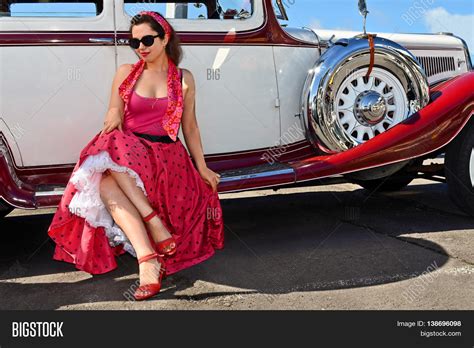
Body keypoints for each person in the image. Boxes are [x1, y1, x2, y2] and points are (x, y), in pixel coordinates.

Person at [47, 10, 225, 301]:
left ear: (165, 38)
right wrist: (114, 113)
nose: (140, 47)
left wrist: (202, 167)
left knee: (106, 181)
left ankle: (151, 240)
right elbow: (114, 111)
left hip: (167, 156)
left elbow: (189, 126)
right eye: (135, 42)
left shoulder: (184, 78)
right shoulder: (126, 72)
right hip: (131, 152)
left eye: (147, 39)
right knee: (109, 143)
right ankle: (148, 256)